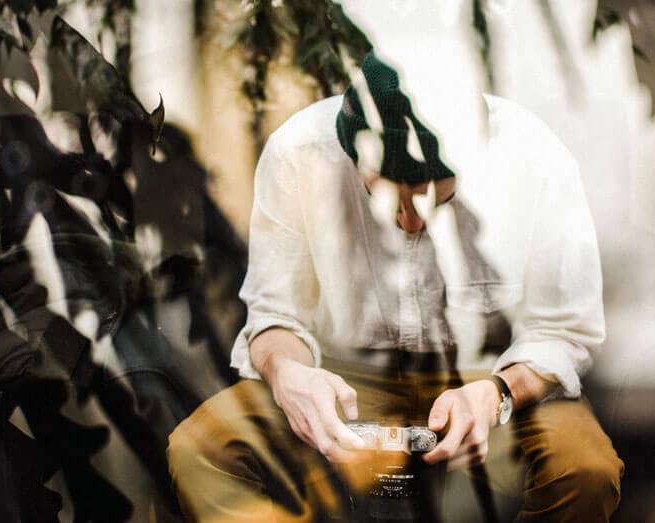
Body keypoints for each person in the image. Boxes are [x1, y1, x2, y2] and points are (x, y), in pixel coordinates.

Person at [167, 51, 624, 521]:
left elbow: (563, 330)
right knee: (200, 451)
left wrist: (497, 394)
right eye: (382, 193)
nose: (407, 220)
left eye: (430, 198)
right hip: (343, 379)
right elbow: (275, 315)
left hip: (493, 378)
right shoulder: (299, 153)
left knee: (585, 473)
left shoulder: (535, 159)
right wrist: (289, 375)